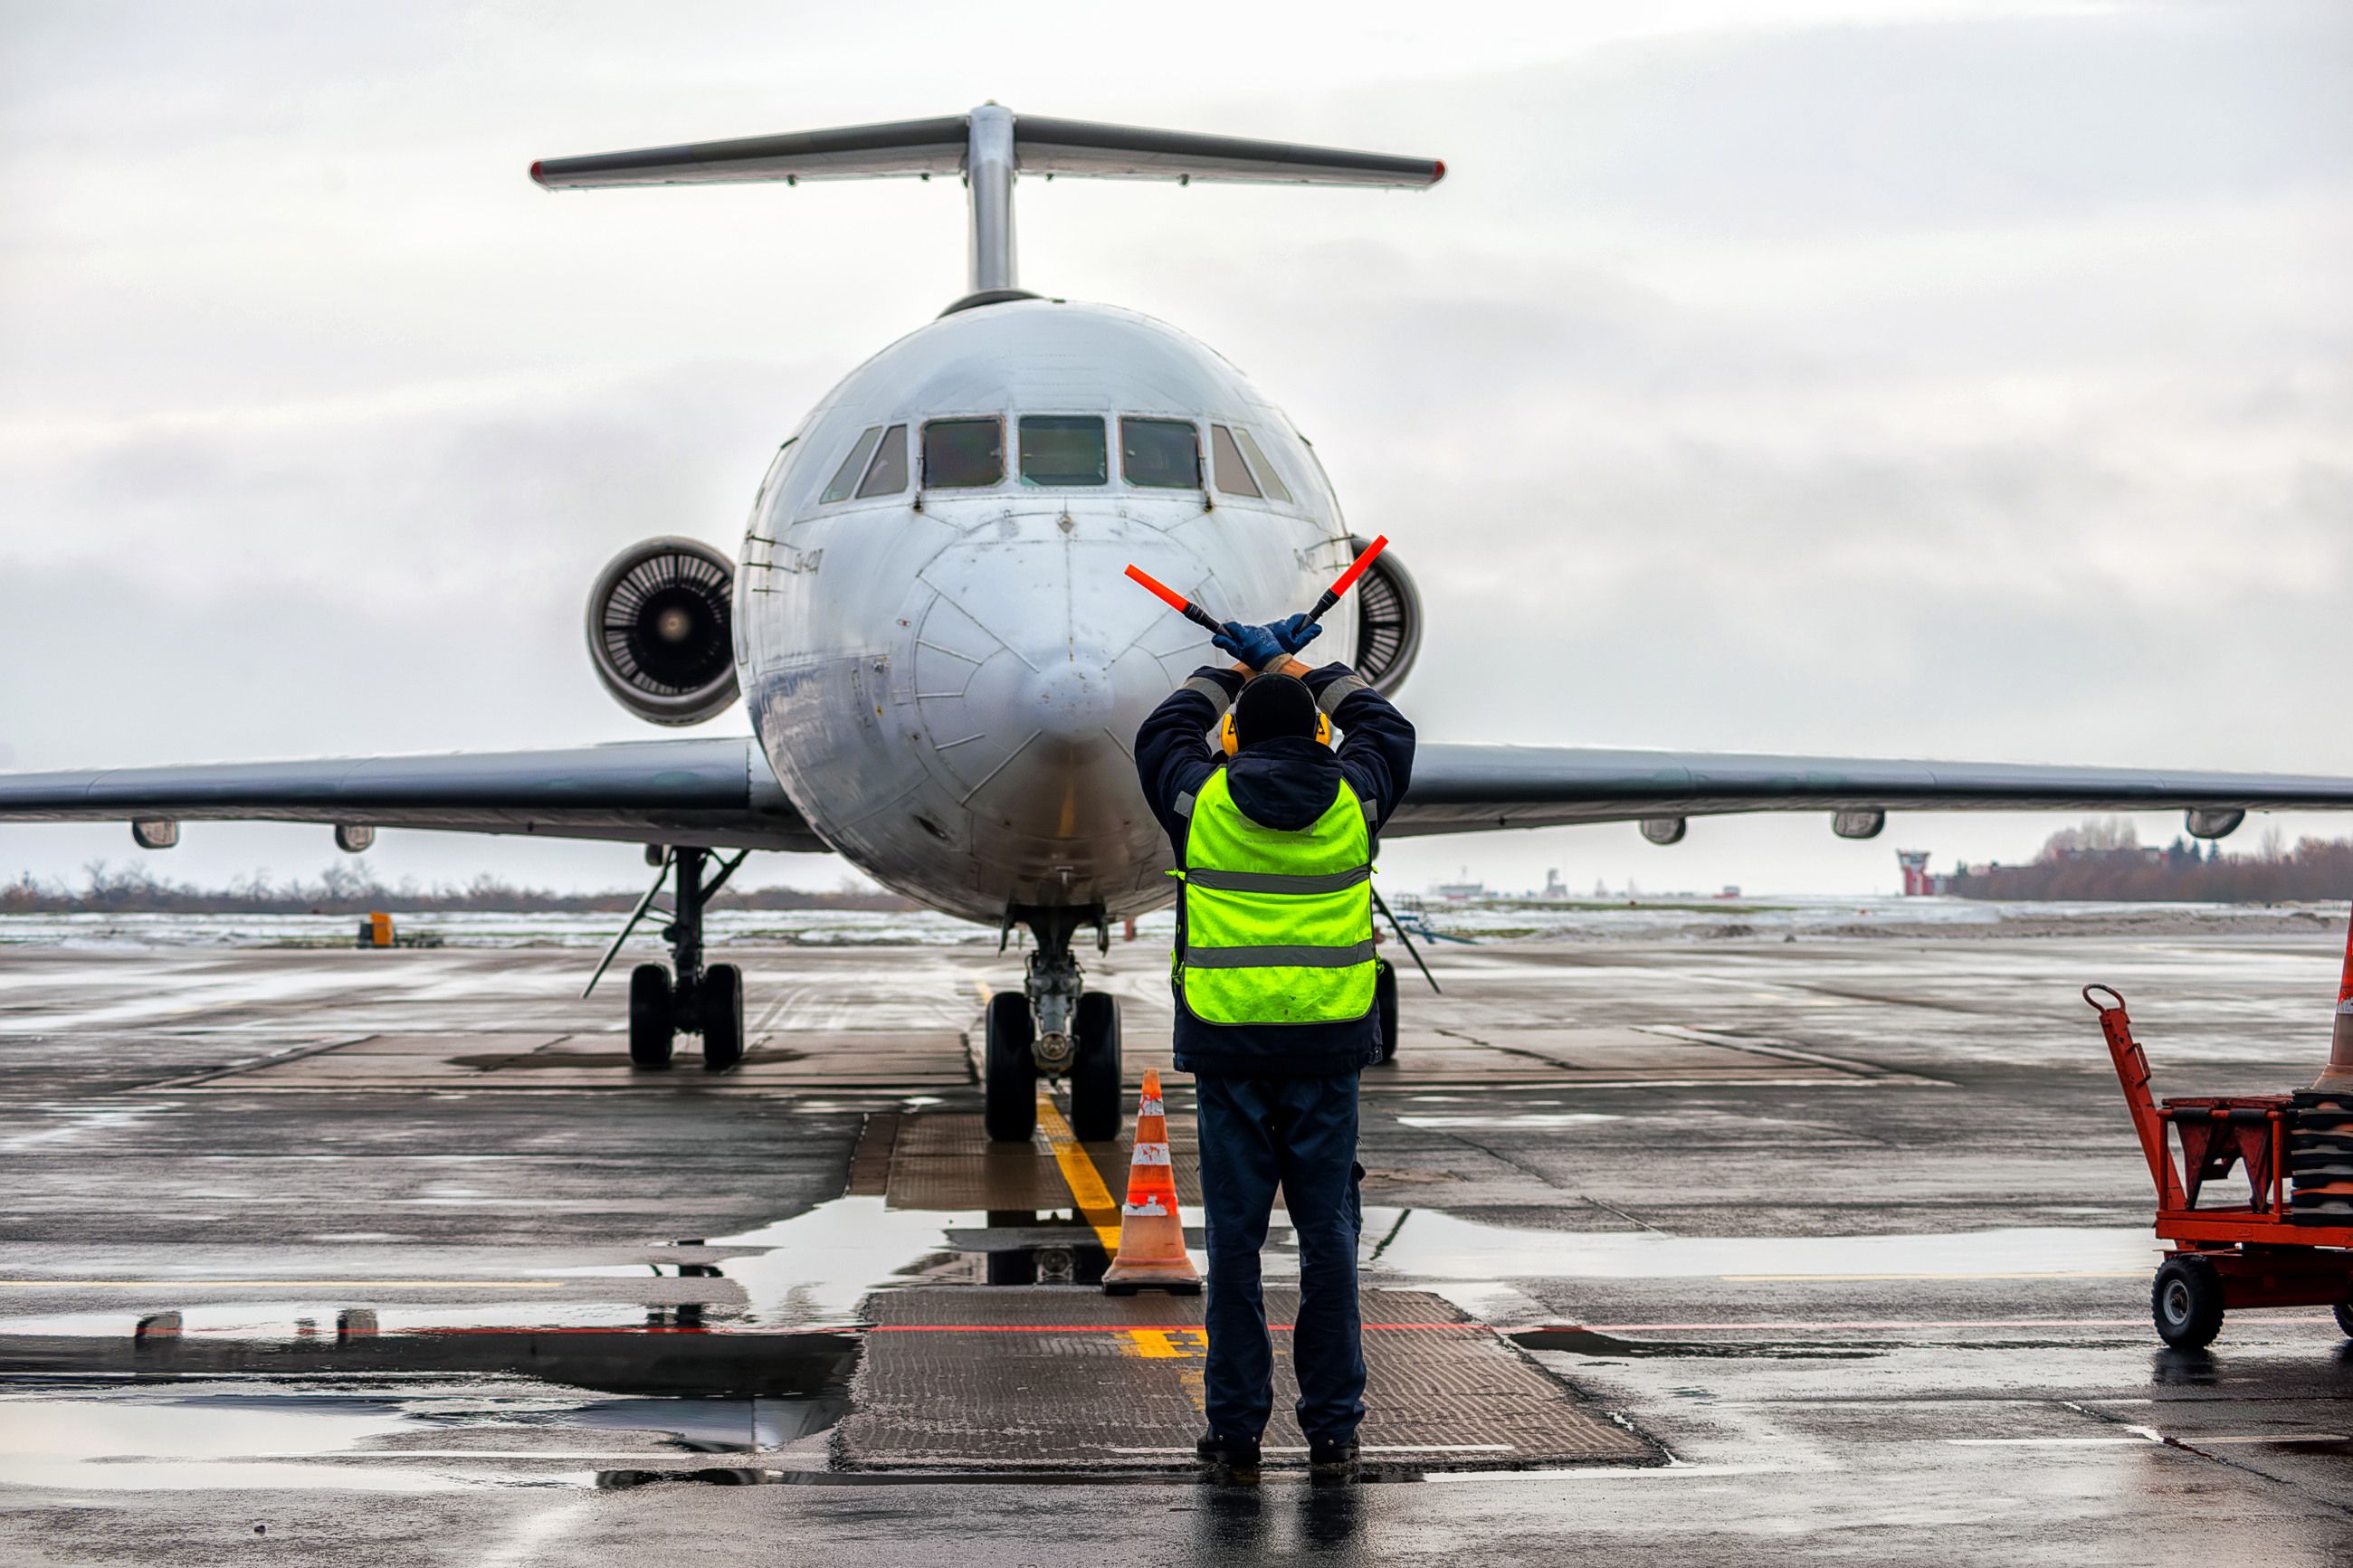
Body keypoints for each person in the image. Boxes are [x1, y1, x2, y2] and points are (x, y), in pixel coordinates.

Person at [1133, 613, 1415, 1478]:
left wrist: (1225, 671)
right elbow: (1387, 727)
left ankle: (1235, 1430)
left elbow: (1161, 732)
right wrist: (1289, 661)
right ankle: (1333, 1429)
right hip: (1327, 1054)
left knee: (1235, 1248)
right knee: (1329, 1242)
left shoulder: (1198, 802)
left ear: (1234, 737)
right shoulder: (1356, 798)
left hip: (1231, 1054)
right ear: (1320, 734)